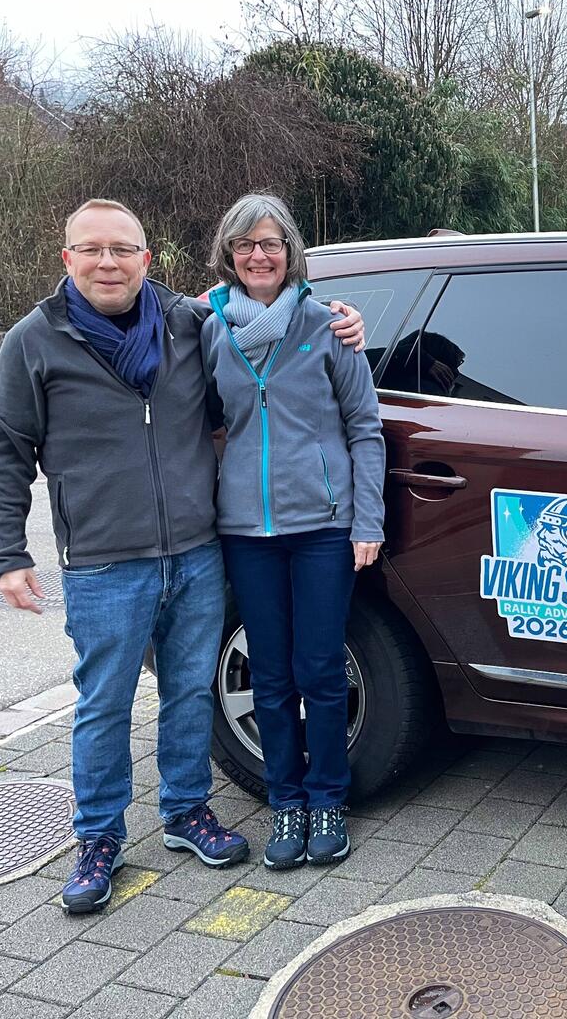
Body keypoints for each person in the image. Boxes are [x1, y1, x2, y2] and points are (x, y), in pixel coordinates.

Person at [0, 198, 365, 914]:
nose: (108, 262)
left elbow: (259, 313)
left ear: (145, 259)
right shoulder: (35, 340)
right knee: (105, 704)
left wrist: (342, 316)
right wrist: (7, 553)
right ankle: (99, 839)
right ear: (67, 258)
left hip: (195, 549)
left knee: (190, 692)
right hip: (103, 559)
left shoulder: (184, 322)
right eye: (92, 249)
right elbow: (4, 447)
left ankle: (187, 811)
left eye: (122, 249)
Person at [199, 193, 385, 870]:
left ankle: (328, 797)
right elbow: (202, 419)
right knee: (271, 674)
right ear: (230, 253)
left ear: (290, 252)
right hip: (246, 532)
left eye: (271, 243)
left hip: (322, 529)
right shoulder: (210, 329)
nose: (259, 255)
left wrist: (367, 521)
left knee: (320, 669)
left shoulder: (328, 326)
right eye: (245, 244)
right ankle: (286, 801)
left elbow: (365, 429)